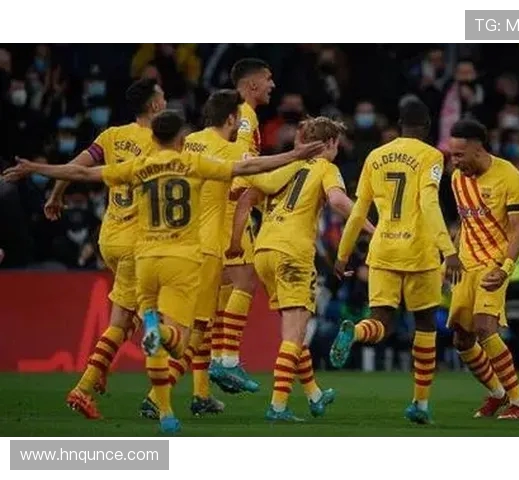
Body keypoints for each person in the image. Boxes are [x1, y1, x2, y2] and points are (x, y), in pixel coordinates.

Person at [3, 110, 324, 433]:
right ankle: (163, 375)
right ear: (181, 138)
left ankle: (166, 410)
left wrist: (35, 168)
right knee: (179, 343)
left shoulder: (139, 166)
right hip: (180, 262)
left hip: (144, 260)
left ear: (154, 137)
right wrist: (295, 155)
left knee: (145, 336)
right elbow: (247, 167)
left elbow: (83, 173)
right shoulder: (192, 164)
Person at [139, 90, 309, 418]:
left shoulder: (188, 143)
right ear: (231, 119)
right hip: (208, 249)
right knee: (195, 331)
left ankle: (196, 393)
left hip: (176, 244)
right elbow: (262, 177)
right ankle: (157, 396)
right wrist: (298, 158)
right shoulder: (232, 151)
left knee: (199, 326)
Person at [227, 116, 375, 421]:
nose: (337, 150)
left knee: (291, 331)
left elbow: (247, 197)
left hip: (265, 251)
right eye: (336, 144)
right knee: (295, 335)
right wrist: (373, 229)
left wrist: (235, 241)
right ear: (329, 143)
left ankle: (314, 394)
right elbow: (338, 201)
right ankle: (278, 406)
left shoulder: (281, 167)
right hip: (293, 253)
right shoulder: (325, 168)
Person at [328, 99, 461, 425]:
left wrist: (342, 255)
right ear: (427, 127)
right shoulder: (431, 156)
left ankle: (355, 332)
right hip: (419, 253)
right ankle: (420, 404)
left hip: (383, 250)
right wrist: (448, 250)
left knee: (381, 322)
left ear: (400, 126)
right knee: (425, 325)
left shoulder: (375, 156)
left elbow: (358, 211)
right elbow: (429, 203)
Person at [40, 78, 166, 419]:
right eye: (164, 97)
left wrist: (56, 195)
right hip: (139, 243)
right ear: (155, 105)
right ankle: (86, 389)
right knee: (156, 320)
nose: (167, 102)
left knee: (128, 316)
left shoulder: (111, 136)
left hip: (109, 238)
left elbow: (76, 166)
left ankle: (101, 366)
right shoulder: (162, 141)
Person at [447, 118, 519, 420]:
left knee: (485, 327)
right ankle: (498, 394)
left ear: (478, 149)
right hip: (465, 265)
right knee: (462, 339)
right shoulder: (457, 179)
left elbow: (518, 228)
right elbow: (466, 222)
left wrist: (506, 268)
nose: (455, 161)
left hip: (493, 264)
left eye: (459, 155)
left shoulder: (509, 176)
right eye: (452, 155)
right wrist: (452, 255)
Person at [210, 58, 275, 394]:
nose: (272, 85)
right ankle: (229, 360)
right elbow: (240, 160)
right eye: (268, 79)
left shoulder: (232, 115)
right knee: (247, 279)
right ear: (252, 85)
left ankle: (218, 358)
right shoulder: (245, 116)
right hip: (233, 205)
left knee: (225, 285)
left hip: (218, 207)